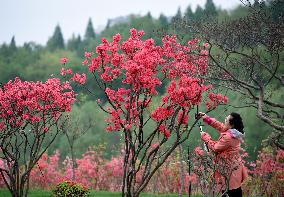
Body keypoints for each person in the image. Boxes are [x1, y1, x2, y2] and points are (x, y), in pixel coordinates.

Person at [198, 112, 248, 197]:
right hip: (234, 167)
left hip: (228, 169)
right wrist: (207, 118)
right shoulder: (234, 132)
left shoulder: (228, 137)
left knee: (229, 192)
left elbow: (216, 148)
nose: (225, 119)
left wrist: (205, 137)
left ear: (231, 124)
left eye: (226, 119)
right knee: (235, 190)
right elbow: (221, 126)